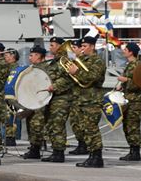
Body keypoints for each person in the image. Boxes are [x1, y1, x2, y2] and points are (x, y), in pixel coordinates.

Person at [67, 36, 107, 167]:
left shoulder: (97, 61)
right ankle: (91, 156)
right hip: (80, 100)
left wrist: (76, 71)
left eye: (84, 46)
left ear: (92, 47)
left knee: (91, 129)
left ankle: (97, 157)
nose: (82, 49)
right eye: (82, 46)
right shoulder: (81, 60)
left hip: (92, 100)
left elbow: (92, 77)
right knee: (84, 129)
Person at [42, 38, 73, 163]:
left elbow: (68, 78)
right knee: (51, 124)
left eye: (52, 45)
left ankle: (59, 152)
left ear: (60, 46)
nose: (50, 48)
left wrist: (54, 86)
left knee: (57, 124)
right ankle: (55, 151)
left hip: (62, 98)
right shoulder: (55, 61)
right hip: (53, 97)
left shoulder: (65, 61)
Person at [117, 42, 141, 161]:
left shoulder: (138, 66)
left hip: (134, 101)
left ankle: (135, 152)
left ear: (131, 52)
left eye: (126, 50)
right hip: (127, 100)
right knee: (127, 125)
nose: (124, 51)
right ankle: (132, 150)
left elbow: (139, 84)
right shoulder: (129, 65)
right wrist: (122, 86)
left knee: (133, 126)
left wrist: (125, 80)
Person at [22, 46, 50, 159]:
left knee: (37, 124)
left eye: (31, 55)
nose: (29, 58)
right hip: (31, 100)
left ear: (38, 56)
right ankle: (34, 147)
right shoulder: (31, 69)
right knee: (30, 123)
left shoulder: (45, 69)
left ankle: (36, 148)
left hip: (41, 101)